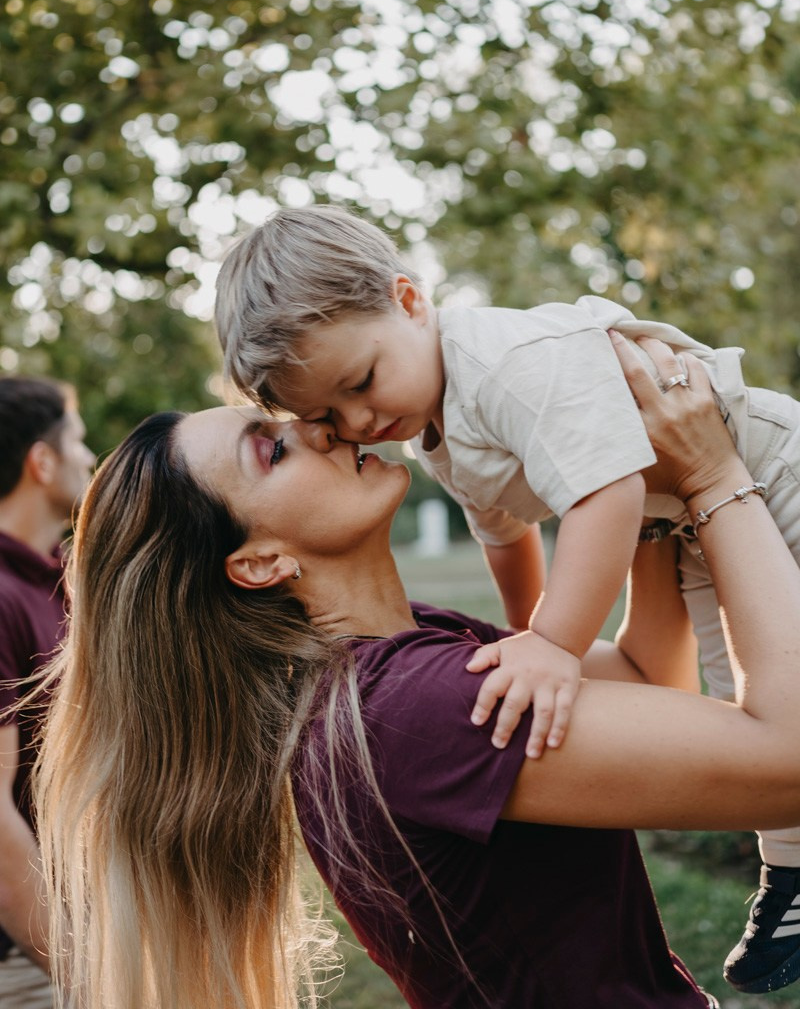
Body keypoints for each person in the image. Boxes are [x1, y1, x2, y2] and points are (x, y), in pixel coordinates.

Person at [32, 335, 800, 1009]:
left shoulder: (408, 651)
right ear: (260, 562)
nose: (318, 427)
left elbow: (644, 679)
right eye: (272, 448)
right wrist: (711, 473)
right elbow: (787, 762)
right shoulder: (407, 711)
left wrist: (629, 465)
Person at [214, 205, 800, 994]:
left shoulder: (504, 364)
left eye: (359, 384)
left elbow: (609, 491)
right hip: (700, 499)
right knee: (744, 686)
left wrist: (553, 643)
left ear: (410, 300)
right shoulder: (436, 433)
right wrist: (536, 631)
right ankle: (793, 873)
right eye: (320, 416)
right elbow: (503, 530)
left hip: (769, 469)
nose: (356, 425)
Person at [0, 376, 94, 1008]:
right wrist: (93, 981)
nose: (91, 458)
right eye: (80, 442)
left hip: (83, 928)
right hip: (33, 959)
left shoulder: (55, 579)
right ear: (42, 460)